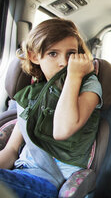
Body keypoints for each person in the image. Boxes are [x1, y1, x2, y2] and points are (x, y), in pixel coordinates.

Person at [0, 18, 103, 197]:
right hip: (20, 173)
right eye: (53, 54)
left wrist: (74, 76)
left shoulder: (89, 87)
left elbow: (62, 130)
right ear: (34, 56)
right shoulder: (30, 95)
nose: (63, 62)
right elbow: (11, 151)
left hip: (54, 182)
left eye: (71, 54)